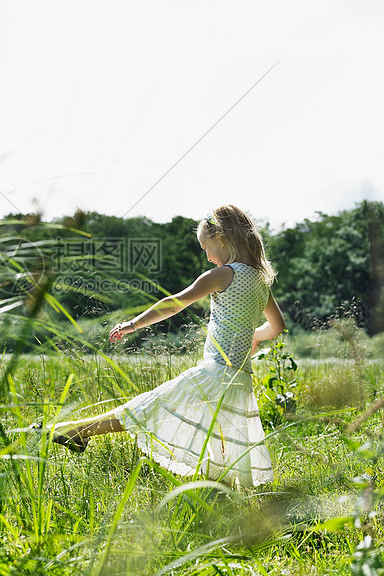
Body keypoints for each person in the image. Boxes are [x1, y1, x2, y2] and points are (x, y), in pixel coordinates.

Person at [42, 205, 285, 487]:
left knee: (146, 408)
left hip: (216, 372)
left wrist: (133, 324)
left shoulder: (223, 274)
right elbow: (277, 327)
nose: (206, 255)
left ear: (221, 237)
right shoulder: (260, 280)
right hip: (240, 378)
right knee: (220, 440)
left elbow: (174, 304)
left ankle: (74, 431)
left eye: (205, 247)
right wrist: (254, 336)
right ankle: (221, 497)